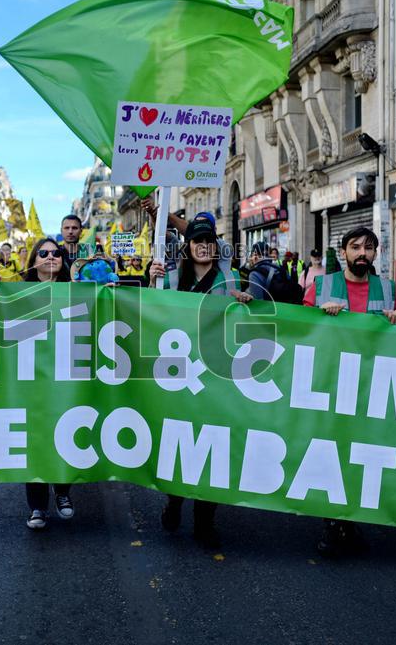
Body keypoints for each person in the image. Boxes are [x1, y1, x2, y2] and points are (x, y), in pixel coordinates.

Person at [148, 217, 251, 548]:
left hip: (215, 375)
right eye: (197, 241)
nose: (204, 246)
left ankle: (205, 521)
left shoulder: (228, 279)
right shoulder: (173, 277)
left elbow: (245, 325)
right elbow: (150, 311)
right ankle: (175, 500)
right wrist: (152, 282)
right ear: (188, 247)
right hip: (178, 374)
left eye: (209, 240)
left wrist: (243, 303)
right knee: (179, 445)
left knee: (213, 448)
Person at [303, 227, 396, 557]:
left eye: (369, 248)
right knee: (331, 450)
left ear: (376, 254)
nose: (362, 253)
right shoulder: (322, 286)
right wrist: (318, 313)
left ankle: (348, 520)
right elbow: (299, 330)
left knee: (360, 454)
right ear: (342, 252)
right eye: (355, 247)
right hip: (330, 382)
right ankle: (333, 522)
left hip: (369, 386)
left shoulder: (387, 289)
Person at [14, 238, 76, 530]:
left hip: (65, 378)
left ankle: (63, 492)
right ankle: (37, 506)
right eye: (44, 253)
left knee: (66, 434)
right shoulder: (16, 293)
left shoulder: (76, 291)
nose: (51, 257)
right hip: (31, 379)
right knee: (35, 440)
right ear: (33, 260)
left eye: (57, 253)